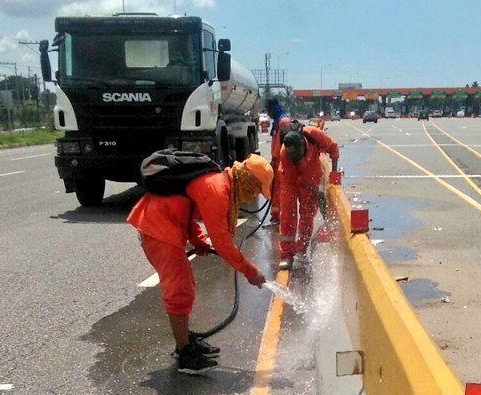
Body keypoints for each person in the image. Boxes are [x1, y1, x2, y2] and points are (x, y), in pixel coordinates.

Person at [127, 151, 272, 374]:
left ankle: (184, 341)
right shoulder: (217, 188)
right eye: (255, 189)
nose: (251, 196)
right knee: (179, 289)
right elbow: (222, 242)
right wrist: (249, 271)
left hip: (164, 225)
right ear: (247, 180)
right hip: (159, 230)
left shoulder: (218, 182)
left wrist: (198, 240)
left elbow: (185, 207)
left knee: (183, 287)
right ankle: (185, 354)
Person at [278, 124, 339, 269]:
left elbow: (333, 148)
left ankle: (302, 249)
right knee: (287, 213)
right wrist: (314, 189)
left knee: (307, 214)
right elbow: (295, 178)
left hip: (311, 174)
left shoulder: (312, 134)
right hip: (290, 179)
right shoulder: (285, 153)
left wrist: (333, 175)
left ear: (302, 143)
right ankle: (286, 254)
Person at [266, 97, 289, 225]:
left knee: (280, 190)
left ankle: (279, 217)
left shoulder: (283, 122)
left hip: (283, 162)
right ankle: (275, 216)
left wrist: (279, 160)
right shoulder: (277, 122)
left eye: (269, 110)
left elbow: (284, 144)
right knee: (274, 189)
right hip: (276, 161)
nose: (268, 114)